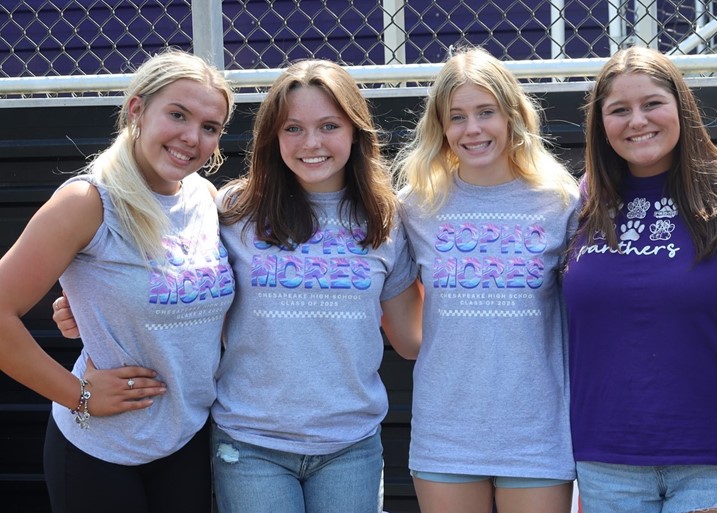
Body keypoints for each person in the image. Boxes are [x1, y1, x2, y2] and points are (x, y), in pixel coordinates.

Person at [52, 59, 423, 513]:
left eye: (329, 125)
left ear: (355, 132)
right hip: (250, 443)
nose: (311, 143)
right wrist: (86, 311)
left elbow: (411, 340)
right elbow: (180, 283)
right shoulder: (232, 207)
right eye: (293, 128)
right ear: (272, 136)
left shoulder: (386, 220)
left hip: (350, 443)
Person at [0, 50, 235, 512]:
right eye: (177, 115)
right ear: (136, 110)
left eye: (210, 127)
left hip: (185, 439)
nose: (192, 137)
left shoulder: (205, 198)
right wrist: (78, 395)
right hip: (98, 451)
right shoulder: (88, 202)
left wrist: (91, 310)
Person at [563, 46, 717, 513]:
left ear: (681, 108)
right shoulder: (580, 203)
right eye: (618, 110)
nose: (637, 121)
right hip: (604, 457)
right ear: (600, 124)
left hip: (714, 457)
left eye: (652, 103)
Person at [392, 47, 579, 513]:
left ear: (512, 116)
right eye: (456, 117)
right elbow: (407, 331)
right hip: (447, 429)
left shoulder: (560, 200)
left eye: (485, 112)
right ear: (441, 128)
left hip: (536, 431)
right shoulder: (416, 205)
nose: (471, 129)